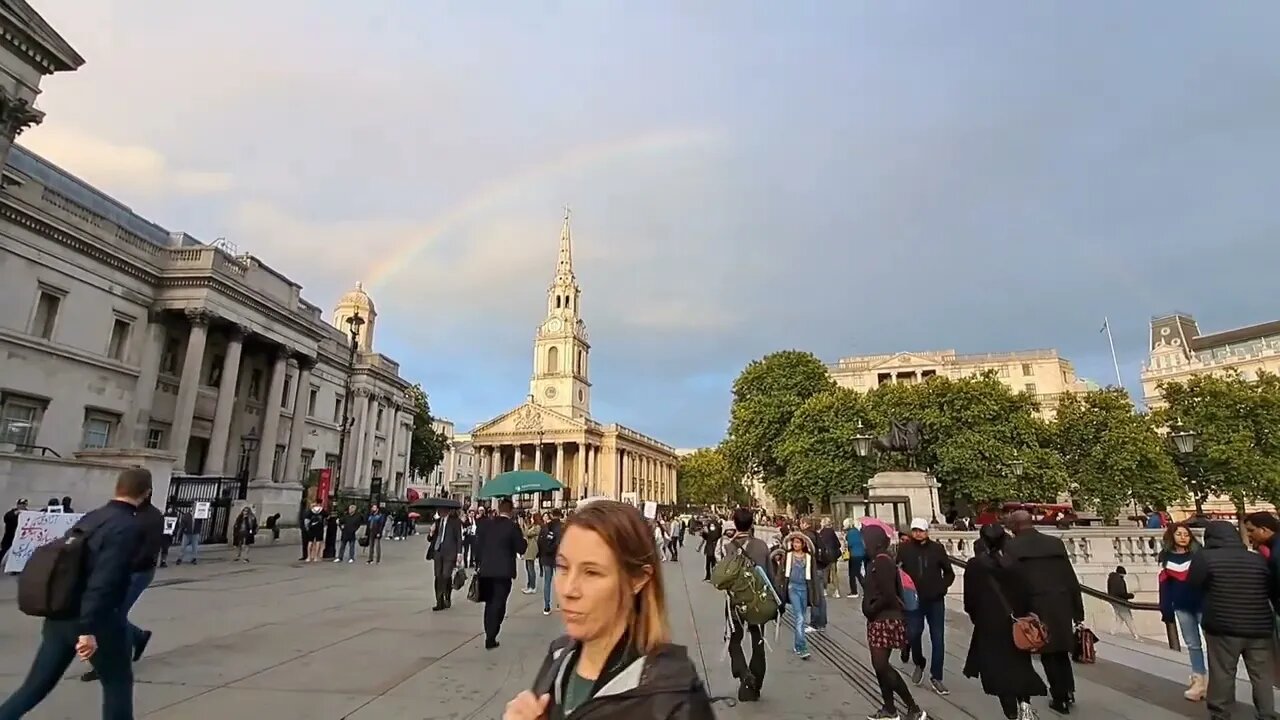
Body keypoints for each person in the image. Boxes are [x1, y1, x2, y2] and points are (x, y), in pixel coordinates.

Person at [503, 500, 714, 720]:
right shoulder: (559, 657)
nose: (568, 589)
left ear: (638, 579)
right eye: (563, 567)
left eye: (591, 572)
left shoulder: (674, 699)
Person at [0, 467, 150, 718]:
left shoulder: (92, 517)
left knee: (34, 687)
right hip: (98, 622)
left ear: (117, 488)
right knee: (117, 685)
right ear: (146, 493)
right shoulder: (127, 526)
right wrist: (88, 629)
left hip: (60, 613)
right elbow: (104, 580)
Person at [1187, 520, 1278, 720]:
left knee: (1223, 673)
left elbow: (1193, 584)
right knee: (1261, 675)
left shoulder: (1205, 557)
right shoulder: (1257, 559)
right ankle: (1267, 714)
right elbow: (1270, 589)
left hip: (1222, 626)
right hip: (1259, 627)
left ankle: (1220, 713)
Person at [962, 523, 1046, 720]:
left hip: (989, 624)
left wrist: (977, 617)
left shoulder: (975, 565)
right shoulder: (1015, 564)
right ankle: (1025, 704)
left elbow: (970, 600)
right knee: (1019, 665)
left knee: (998, 671)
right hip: (1015, 623)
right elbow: (1027, 593)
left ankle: (1011, 714)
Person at [81, 489, 164, 683]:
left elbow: (148, 551)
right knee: (111, 615)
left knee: (108, 618)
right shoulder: (129, 513)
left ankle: (107, 664)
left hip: (136, 572)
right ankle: (138, 636)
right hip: (122, 570)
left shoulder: (151, 517)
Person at [1004, 510, 1083, 715]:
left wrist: (1015, 610)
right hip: (1062, 600)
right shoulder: (1055, 543)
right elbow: (1070, 577)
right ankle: (1068, 690)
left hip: (1036, 603)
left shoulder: (1012, 547)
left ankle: (1060, 697)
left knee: (1047, 649)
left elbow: (1013, 581)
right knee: (1061, 650)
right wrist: (1078, 610)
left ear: (1016, 525)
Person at [862, 524, 927, 720]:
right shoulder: (878, 560)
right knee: (879, 667)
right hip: (879, 619)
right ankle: (889, 708)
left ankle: (913, 707)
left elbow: (889, 594)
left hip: (885, 619)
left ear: (875, 541)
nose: (864, 544)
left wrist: (872, 608)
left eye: (866, 540)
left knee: (881, 665)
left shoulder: (882, 562)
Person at [724, 507, 779, 701]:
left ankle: (743, 673)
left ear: (734, 522)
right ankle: (756, 684)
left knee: (734, 640)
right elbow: (770, 576)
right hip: (758, 600)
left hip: (736, 601)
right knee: (758, 641)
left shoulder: (729, 547)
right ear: (752, 522)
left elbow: (724, 577)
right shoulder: (762, 546)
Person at [897, 517, 955, 694]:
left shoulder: (937, 549)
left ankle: (936, 676)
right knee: (914, 633)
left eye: (921, 530)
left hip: (935, 600)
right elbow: (897, 572)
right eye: (915, 530)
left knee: (938, 638)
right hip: (913, 599)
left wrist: (942, 587)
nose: (917, 533)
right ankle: (919, 661)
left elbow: (949, 573)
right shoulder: (905, 549)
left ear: (927, 531)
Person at [1158, 521, 1206, 701]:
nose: (1183, 537)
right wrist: (1166, 609)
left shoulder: (1200, 555)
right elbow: (1164, 585)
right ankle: (1199, 679)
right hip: (1181, 606)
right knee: (1193, 644)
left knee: (1213, 643)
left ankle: (1217, 681)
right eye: (1179, 534)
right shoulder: (1165, 557)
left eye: (1186, 534)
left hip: (1202, 605)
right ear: (1172, 536)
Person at [475, 499, 527, 649]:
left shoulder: (486, 524)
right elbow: (521, 548)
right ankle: (492, 634)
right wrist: (522, 535)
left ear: (498, 508)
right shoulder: (512, 527)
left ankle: (488, 632)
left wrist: (481, 562)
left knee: (489, 603)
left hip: (486, 570)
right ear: (511, 511)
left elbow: (478, 546)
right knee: (499, 603)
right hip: (503, 572)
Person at [775, 530, 821, 660]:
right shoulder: (788, 556)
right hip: (792, 588)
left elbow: (813, 577)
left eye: (798, 542)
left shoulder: (809, 558)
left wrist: (815, 594)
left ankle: (797, 644)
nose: (795, 544)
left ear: (803, 544)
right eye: (794, 542)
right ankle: (802, 646)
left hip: (804, 589)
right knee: (799, 617)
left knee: (802, 618)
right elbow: (781, 574)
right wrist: (778, 588)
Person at [428, 508, 463, 611]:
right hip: (438, 552)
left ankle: (447, 595)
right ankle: (439, 601)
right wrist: (431, 532)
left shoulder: (455, 522)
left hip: (450, 553)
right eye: (439, 510)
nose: (440, 512)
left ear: (447, 510)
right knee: (438, 576)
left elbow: (459, 538)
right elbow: (430, 539)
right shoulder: (437, 522)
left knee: (446, 575)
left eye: (442, 510)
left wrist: (459, 553)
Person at [538, 509, 565, 615]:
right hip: (559, 557)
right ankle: (560, 603)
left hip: (546, 557)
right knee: (560, 581)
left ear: (552, 515)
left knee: (547, 582)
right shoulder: (563, 527)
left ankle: (546, 606)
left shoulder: (545, 527)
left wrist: (541, 555)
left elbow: (540, 542)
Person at [1106, 566, 1139, 639]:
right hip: (1120, 602)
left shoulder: (1112, 579)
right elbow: (1121, 594)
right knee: (1128, 618)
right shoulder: (1119, 580)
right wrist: (1131, 595)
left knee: (1120, 618)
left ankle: (1113, 632)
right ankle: (1135, 635)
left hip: (1114, 601)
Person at [818, 517, 842, 599]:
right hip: (833, 555)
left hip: (825, 555)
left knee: (825, 572)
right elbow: (838, 544)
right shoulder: (832, 532)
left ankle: (824, 590)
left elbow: (820, 544)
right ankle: (837, 591)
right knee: (834, 573)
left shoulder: (821, 532)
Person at [2, 498, 28, 567]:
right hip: (9, 537)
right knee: (4, 552)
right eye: (20, 504)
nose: (22, 506)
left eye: (23, 505)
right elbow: (6, 518)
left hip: (19, 538)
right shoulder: (11, 512)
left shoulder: (27, 513)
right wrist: (14, 514)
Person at [844, 518, 866, 598]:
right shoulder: (857, 531)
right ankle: (859, 590)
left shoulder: (850, 533)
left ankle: (855, 591)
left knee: (854, 573)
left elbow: (850, 544)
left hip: (854, 554)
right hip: (860, 554)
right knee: (856, 572)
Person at [521, 513, 542, 595]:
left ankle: (532, 587)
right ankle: (529, 585)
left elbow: (527, 533)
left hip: (532, 548)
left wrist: (526, 526)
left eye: (533, 518)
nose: (531, 519)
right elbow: (524, 533)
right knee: (527, 567)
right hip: (528, 548)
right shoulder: (532, 526)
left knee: (530, 568)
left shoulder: (537, 527)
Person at [700, 515, 722, 582]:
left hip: (711, 546)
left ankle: (709, 576)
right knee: (712, 563)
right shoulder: (718, 526)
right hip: (714, 545)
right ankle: (711, 576)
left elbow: (711, 536)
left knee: (709, 563)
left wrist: (706, 533)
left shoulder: (712, 525)